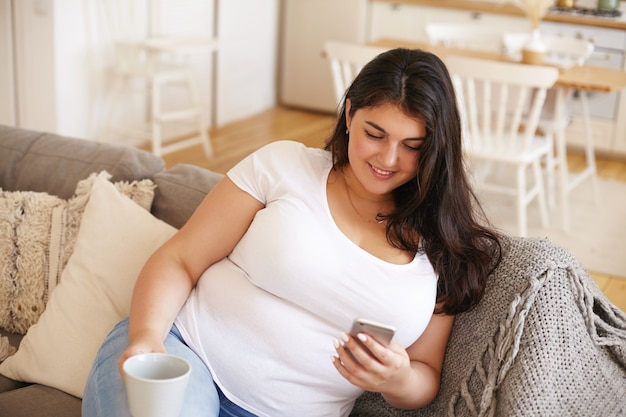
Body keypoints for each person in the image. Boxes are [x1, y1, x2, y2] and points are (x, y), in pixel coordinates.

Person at [82, 47, 502, 417]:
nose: (388, 158)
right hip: (183, 357)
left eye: (413, 146)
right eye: (375, 134)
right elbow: (180, 259)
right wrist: (145, 341)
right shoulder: (284, 166)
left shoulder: (442, 245)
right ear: (350, 113)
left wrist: (396, 378)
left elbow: (424, 375)